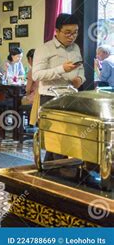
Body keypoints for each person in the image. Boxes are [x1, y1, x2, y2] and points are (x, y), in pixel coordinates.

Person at [32, 13, 85, 161]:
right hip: (50, 98)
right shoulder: (45, 49)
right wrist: (61, 69)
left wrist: (80, 78)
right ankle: (59, 172)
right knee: (55, 140)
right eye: (67, 32)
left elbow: (81, 70)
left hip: (70, 96)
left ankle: (51, 172)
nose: (72, 36)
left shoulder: (76, 48)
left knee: (67, 139)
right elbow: (36, 75)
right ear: (57, 31)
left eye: (75, 32)